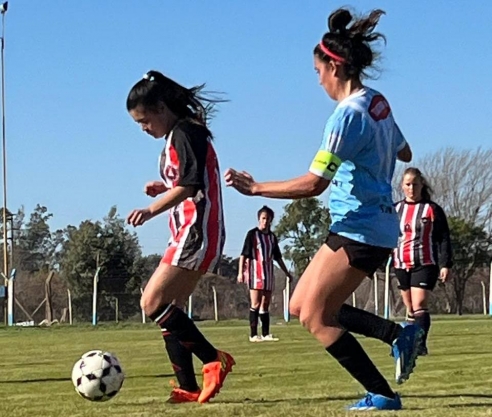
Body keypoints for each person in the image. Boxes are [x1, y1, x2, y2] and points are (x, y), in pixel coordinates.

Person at [224, 8, 424, 411]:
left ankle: (383, 394)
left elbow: (314, 183)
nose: (317, 80)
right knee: (299, 304)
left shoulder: (346, 115)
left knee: (316, 317)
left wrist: (257, 187)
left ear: (334, 67)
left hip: (361, 228)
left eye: (317, 72)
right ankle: (396, 334)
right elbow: (406, 151)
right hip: (367, 225)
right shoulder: (377, 103)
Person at [126, 70, 235, 404]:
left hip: (196, 230)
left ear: (161, 108)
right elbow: (189, 180)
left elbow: (190, 186)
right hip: (190, 230)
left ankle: (214, 359)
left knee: (151, 302)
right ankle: (187, 386)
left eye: (144, 120)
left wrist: (151, 208)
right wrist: (164, 188)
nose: (143, 128)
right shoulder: (179, 135)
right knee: (170, 308)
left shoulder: (185, 132)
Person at [393, 167, 453, 355]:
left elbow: (444, 237)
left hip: (425, 262)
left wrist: (445, 264)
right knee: (410, 307)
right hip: (401, 263)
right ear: (402, 186)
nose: (411, 188)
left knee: (419, 304)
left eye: (415, 184)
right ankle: (409, 342)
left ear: (421, 185)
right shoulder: (395, 209)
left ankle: (420, 344)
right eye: (408, 184)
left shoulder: (432, 209)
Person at [238, 205, 294, 342]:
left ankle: (265, 333)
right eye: (263, 218)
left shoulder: (272, 237)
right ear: (259, 219)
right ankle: (253, 335)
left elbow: (278, 257)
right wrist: (240, 273)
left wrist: (287, 273)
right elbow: (243, 255)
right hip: (255, 273)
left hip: (268, 273)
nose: (265, 221)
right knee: (255, 303)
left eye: (268, 219)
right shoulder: (252, 235)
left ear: (271, 220)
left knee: (266, 303)